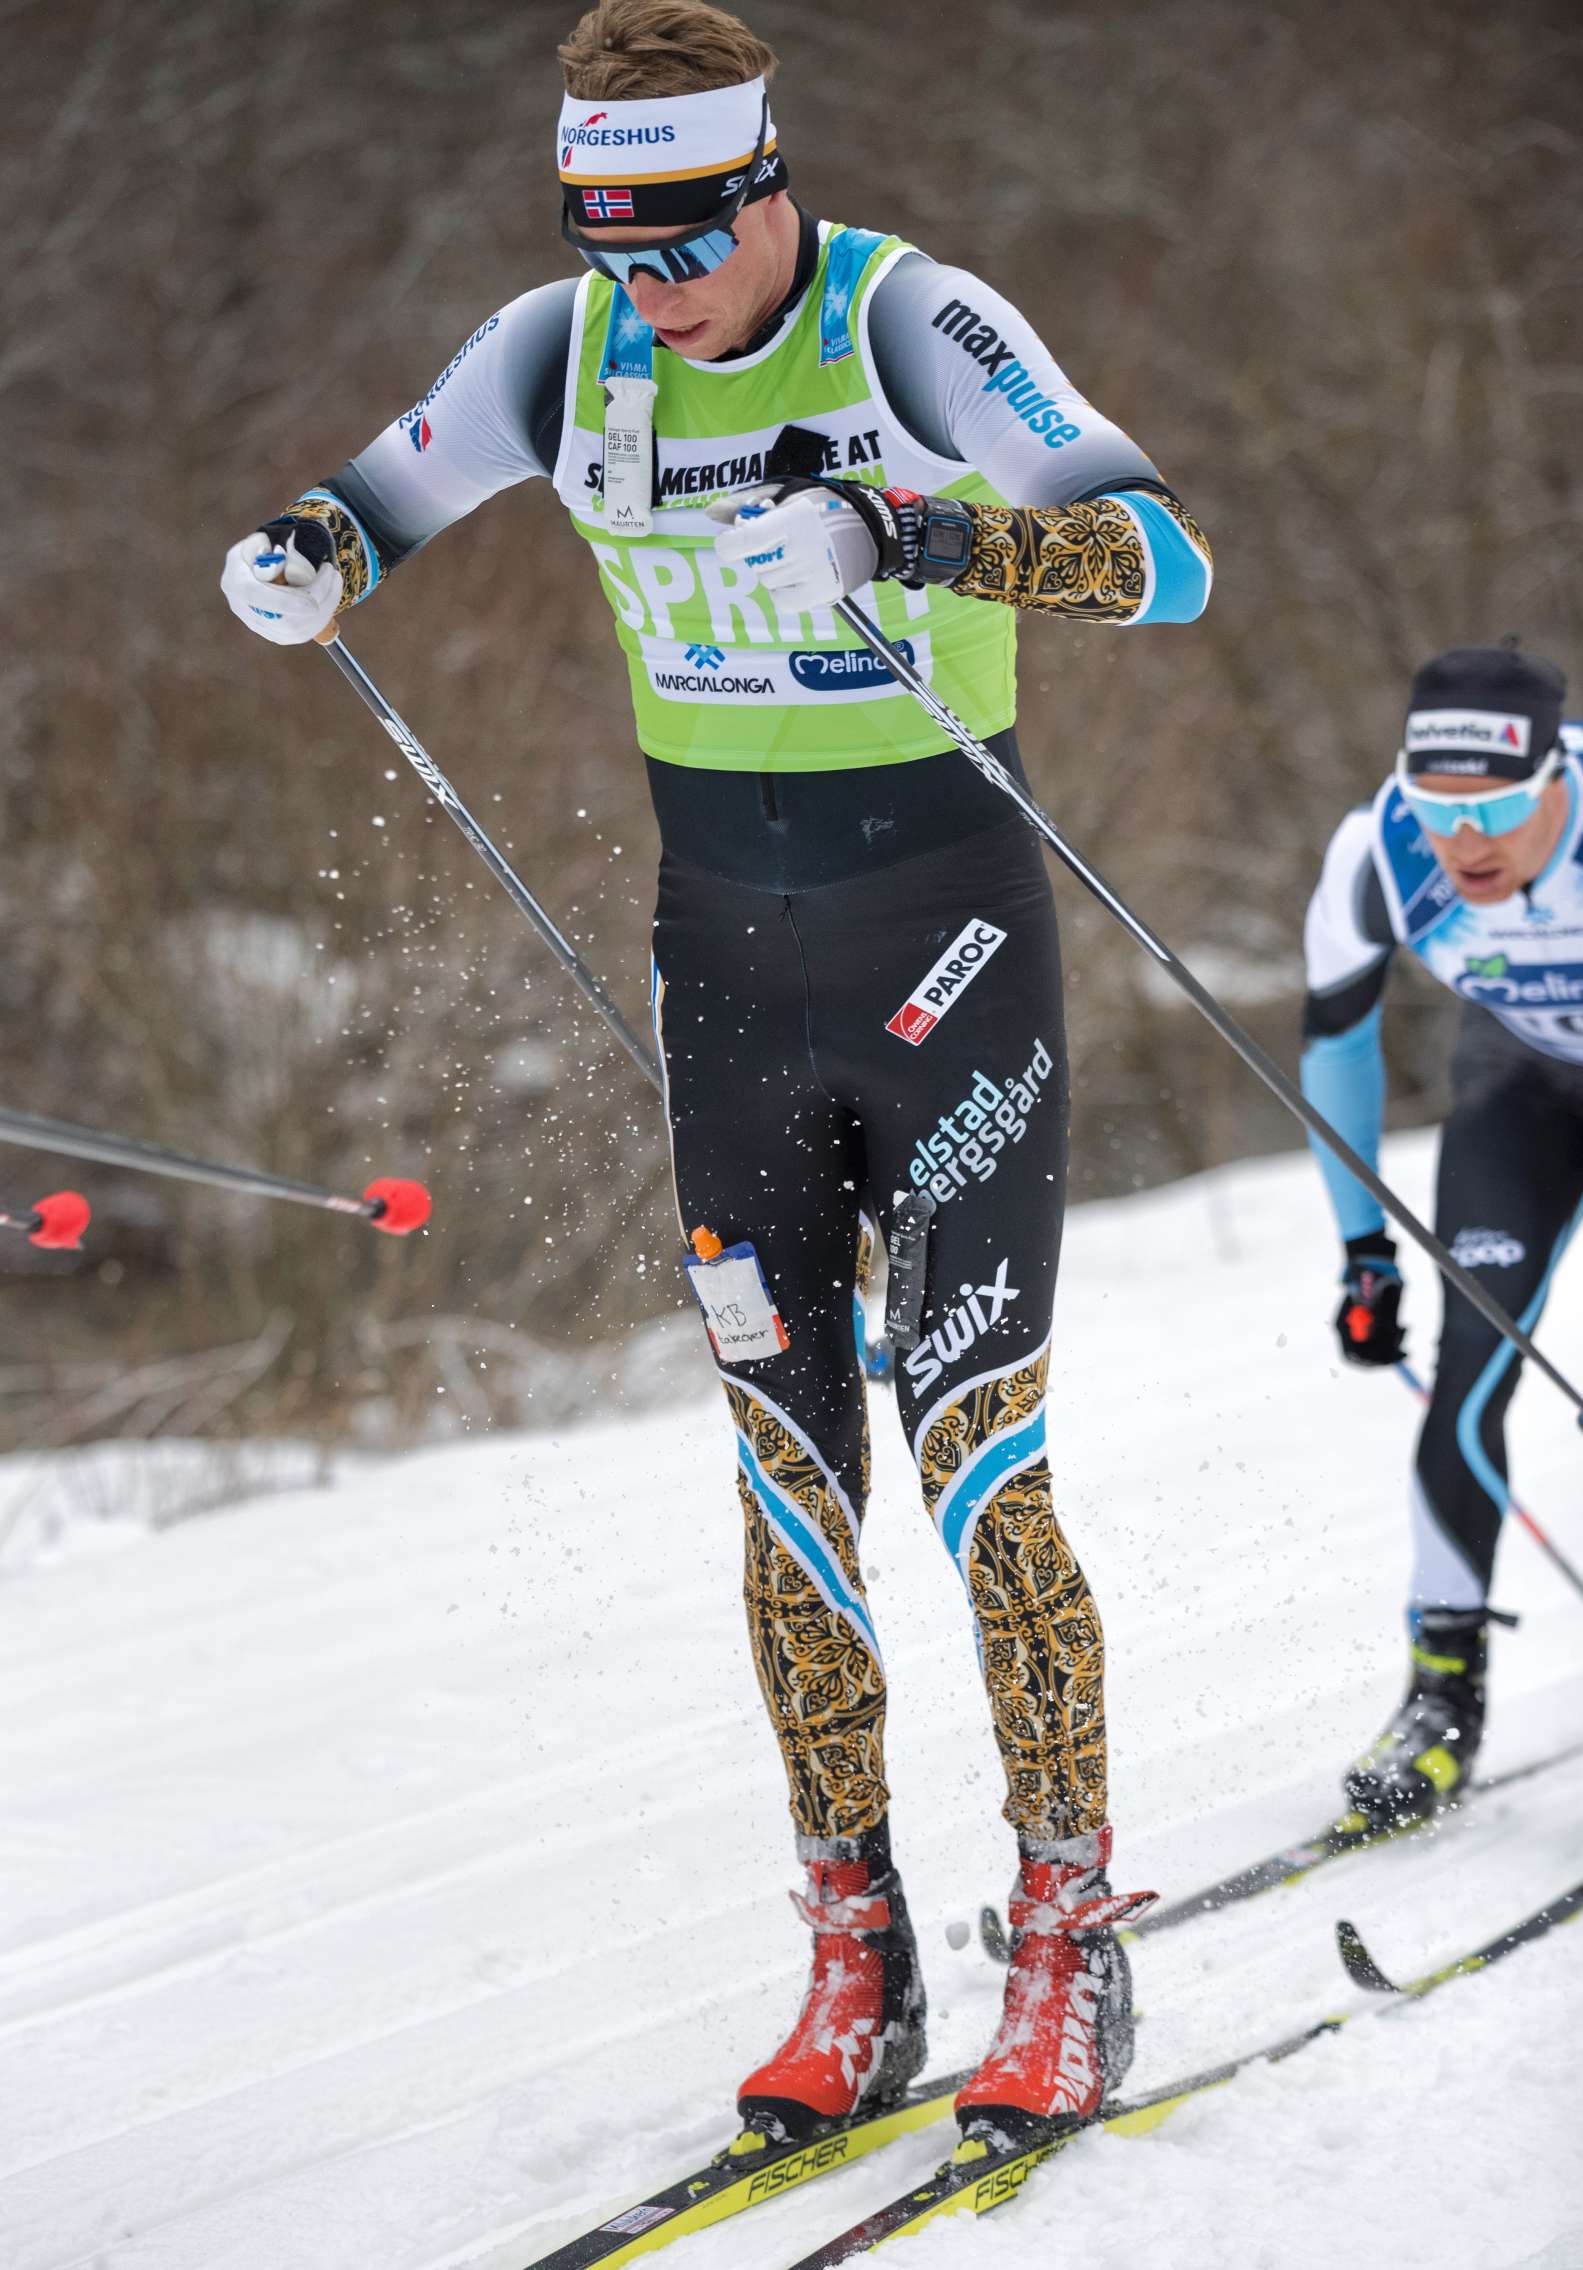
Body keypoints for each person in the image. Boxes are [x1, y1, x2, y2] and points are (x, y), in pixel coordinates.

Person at [221, 0, 1212, 2153]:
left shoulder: (908, 322)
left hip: (948, 945)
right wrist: (309, 558)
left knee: (973, 1461)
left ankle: (1067, 1934)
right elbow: (374, 496)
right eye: (606, 236)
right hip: (725, 971)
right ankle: (853, 1954)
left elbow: (1158, 552)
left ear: (767, 183)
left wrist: (923, 539)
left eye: (679, 235)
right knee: (784, 1479)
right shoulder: (558, 352)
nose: (648, 285)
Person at [1302, 643, 1583, 1829]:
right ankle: (1441, 1697)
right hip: (1523, 1083)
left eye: (1492, 810)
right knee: (1465, 1384)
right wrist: (1362, 1249)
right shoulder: (1376, 853)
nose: (1462, 842)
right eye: (1438, 810)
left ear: (1554, 781)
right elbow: (1335, 1047)